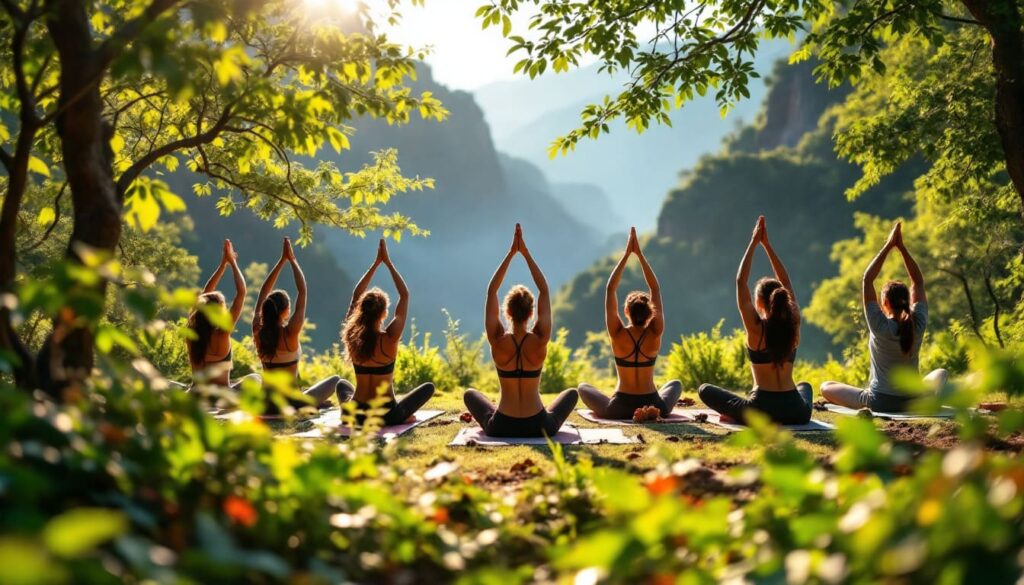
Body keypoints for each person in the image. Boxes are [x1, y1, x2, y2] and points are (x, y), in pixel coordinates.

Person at [463, 224, 579, 437]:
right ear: (531, 313)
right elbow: (543, 288)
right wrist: (525, 254)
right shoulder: (540, 339)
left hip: (501, 426)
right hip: (540, 426)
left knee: (470, 394)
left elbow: (492, 290)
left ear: (506, 312)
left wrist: (510, 255)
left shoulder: (497, 340)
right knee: (572, 393)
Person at [697, 216, 813, 425]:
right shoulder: (793, 322)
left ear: (758, 303)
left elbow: (741, 281)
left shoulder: (756, 328)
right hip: (797, 412)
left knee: (704, 390)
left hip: (761, 411)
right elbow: (785, 281)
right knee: (805, 386)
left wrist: (753, 243)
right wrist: (767, 246)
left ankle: (738, 415)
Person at [820, 222, 947, 412]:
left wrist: (888, 246)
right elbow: (918, 283)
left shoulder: (879, 325)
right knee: (941, 373)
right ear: (906, 301)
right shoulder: (918, 324)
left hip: (879, 401)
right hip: (913, 400)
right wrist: (902, 248)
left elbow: (867, 280)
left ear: (885, 304)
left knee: (826, 387)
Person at [578, 228, 682, 419]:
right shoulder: (655, 332)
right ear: (651, 314)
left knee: (582, 387)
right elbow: (655, 288)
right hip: (653, 402)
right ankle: (653, 411)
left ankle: (641, 411)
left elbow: (611, 289)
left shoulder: (617, 333)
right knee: (675, 384)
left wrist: (627, 255)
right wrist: (640, 255)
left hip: (619, 407)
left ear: (626, 312)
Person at [340, 239, 434, 425]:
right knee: (428, 387)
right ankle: (403, 416)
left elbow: (356, 294)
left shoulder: (352, 337)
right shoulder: (390, 338)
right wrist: (388, 263)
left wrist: (374, 265)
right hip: (386, 415)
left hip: (356, 414)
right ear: (384, 313)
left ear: (361, 311)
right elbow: (404, 295)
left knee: (341, 385)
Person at [253, 238, 344, 413]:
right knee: (336, 380)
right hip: (292, 404)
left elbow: (263, 291)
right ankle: (313, 403)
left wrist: (281, 262)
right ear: (286, 311)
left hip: (266, 405)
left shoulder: (258, 329)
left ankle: (311, 402)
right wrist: (292, 260)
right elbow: (302, 290)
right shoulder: (291, 332)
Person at [180, 239, 260, 390]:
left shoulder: (191, 333)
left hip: (196, 393)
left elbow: (205, 295)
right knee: (255, 378)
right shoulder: (222, 334)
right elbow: (241, 293)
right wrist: (232, 263)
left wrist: (223, 265)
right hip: (219, 397)